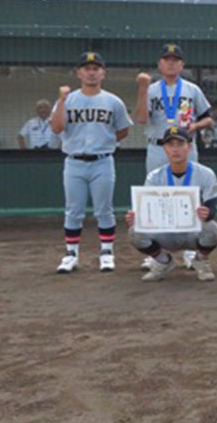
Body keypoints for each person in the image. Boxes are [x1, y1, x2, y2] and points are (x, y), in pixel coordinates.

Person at [134, 43, 213, 271]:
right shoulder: (150, 88)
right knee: (155, 195)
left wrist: (194, 126)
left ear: (182, 64)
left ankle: (190, 248)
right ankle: (157, 251)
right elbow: (141, 118)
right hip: (158, 146)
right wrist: (142, 89)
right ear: (160, 64)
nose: (170, 63)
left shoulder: (191, 89)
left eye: (175, 59)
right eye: (166, 59)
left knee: (190, 193)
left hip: (186, 146)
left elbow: (208, 117)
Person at [52, 52, 132, 273]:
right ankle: (71, 254)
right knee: (73, 210)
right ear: (79, 73)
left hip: (102, 161)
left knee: (104, 209)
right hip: (74, 161)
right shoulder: (67, 100)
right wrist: (60, 100)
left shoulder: (113, 101)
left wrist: (104, 142)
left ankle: (106, 252)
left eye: (96, 68)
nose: (91, 72)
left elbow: (123, 129)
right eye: (87, 68)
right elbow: (56, 128)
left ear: (103, 73)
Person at [125, 127, 217, 282]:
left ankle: (201, 260)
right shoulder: (154, 177)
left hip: (192, 232)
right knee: (134, 231)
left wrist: (207, 213)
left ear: (189, 147)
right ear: (164, 148)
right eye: (170, 145)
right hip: (165, 231)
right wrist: (137, 216)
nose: (175, 149)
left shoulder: (205, 173)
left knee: (212, 228)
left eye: (180, 144)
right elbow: (146, 208)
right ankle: (164, 261)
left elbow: (213, 208)